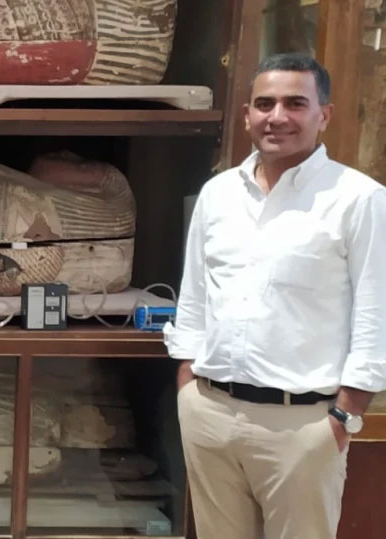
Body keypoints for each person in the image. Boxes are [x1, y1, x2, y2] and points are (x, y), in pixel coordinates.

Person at [165, 52, 386, 539]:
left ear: (323, 115)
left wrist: (345, 415)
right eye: (264, 103)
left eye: (295, 103)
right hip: (210, 414)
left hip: (303, 427)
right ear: (247, 115)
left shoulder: (359, 199)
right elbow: (196, 296)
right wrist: (187, 383)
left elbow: (376, 316)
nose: (277, 116)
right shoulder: (218, 195)